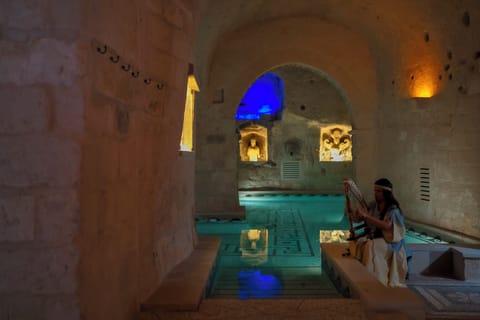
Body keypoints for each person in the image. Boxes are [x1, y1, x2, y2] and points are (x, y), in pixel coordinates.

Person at [348, 178, 408, 287]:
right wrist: (354, 213)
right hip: (376, 238)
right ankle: (365, 278)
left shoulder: (392, 209)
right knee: (361, 243)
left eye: (378, 191)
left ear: (386, 192)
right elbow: (359, 219)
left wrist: (366, 216)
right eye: (375, 190)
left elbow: (386, 226)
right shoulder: (373, 205)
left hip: (390, 242)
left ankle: (377, 280)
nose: (376, 193)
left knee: (372, 246)